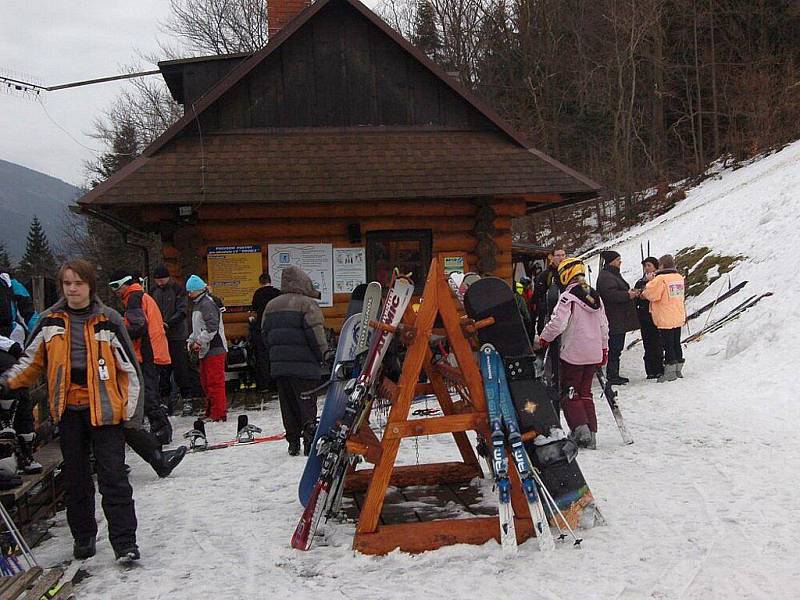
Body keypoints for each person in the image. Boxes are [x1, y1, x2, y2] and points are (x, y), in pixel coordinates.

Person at [0, 260, 141, 561]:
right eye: (67, 283)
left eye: (78, 283)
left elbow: (130, 368)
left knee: (114, 478)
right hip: (68, 411)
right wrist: (6, 383)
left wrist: (130, 414)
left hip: (105, 410)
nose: (73, 289)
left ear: (91, 285)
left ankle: (125, 542)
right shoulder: (51, 320)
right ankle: (84, 537)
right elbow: (30, 361)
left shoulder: (109, 319)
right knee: (76, 480)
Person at [538, 258, 608, 449]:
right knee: (585, 393)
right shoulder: (595, 296)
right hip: (593, 352)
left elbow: (557, 324)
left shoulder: (568, 297)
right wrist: (604, 348)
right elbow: (604, 325)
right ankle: (591, 432)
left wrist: (544, 338)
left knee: (569, 392)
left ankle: (580, 431)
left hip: (574, 352)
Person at [261, 266, 327, 456]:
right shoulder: (307, 304)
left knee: (287, 405)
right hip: (304, 366)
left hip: (280, 366)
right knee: (306, 403)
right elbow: (316, 334)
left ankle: (292, 442)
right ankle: (308, 439)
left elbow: (265, 335)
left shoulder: (271, 306)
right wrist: (323, 355)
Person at [108, 270, 173, 444]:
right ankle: (161, 430)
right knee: (149, 392)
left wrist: (118, 329)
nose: (114, 291)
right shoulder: (140, 295)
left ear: (126, 283)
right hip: (152, 349)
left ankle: (162, 431)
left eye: (116, 286)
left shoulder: (134, 298)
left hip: (146, 352)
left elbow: (138, 327)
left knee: (148, 394)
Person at [0, 273, 42, 478]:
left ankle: (25, 451)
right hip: (6, 348)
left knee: (22, 392)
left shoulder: (9, 283)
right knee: (7, 381)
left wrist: (41, 337)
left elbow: (30, 315)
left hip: (14, 347)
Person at [151, 265, 198, 414]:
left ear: (168, 277)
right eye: (157, 280)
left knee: (181, 369)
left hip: (177, 335)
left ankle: (187, 399)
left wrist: (168, 323)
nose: (160, 283)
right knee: (163, 370)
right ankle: (164, 401)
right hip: (160, 336)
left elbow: (182, 311)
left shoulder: (178, 289)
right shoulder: (153, 291)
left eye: (162, 279)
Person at [186, 275, 228, 422]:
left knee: (215, 382)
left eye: (190, 291)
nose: (189, 294)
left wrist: (199, 342)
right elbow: (198, 328)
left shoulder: (206, 304)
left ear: (197, 290)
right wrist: (191, 340)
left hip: (214, 348)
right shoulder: (199, 304)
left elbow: (212, 327)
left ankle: (218, 413)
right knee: (206, 381)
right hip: (206, 348)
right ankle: (211, 411)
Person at [596, 250, 640, 385]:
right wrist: (628, 295)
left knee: (616, 347)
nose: (620, 262)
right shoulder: (607, 276)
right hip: (614, 318)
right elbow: (610, 295)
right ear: (611, 262)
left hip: (618, 318)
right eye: (617, 260)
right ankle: (612, 374)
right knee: (615, 348)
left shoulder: (611, 274)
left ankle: (614, 373)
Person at [642, 254, 686, 382]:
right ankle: (678, 369)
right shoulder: (678, 277)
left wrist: (649, 282)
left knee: (668, 344)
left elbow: (651, 294)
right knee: (676, 342)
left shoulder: (660, 279)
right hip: (677, 314)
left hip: (665, 315)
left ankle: (669, 371)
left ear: (661, 265)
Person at [250, 272, 280, 392]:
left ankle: (264, 384)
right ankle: (276, 384)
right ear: (270, 281)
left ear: (260, 282)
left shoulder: (258, 294)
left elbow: (254, 310)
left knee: (262, 357)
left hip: (261, 328)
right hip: (276, 328)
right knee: (276, 356)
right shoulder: (277, 293)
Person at [634, 257, 664, 379]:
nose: (646, 268)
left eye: (649, 265)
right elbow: (636, 296)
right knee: (648, 343)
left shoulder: (659, 280)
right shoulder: (640, 282)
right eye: (645, 266)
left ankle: (659, 368)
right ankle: (650, 370)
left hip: (657, 315)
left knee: (658, 343)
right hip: (644, 316)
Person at [535, 247, 567, 334]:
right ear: (552, 257)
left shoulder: (569, 273)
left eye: (563, 255)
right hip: (550, 313)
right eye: (558, 255)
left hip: (566, 313)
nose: (561, 258)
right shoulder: (545, 274)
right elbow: (539, 294)